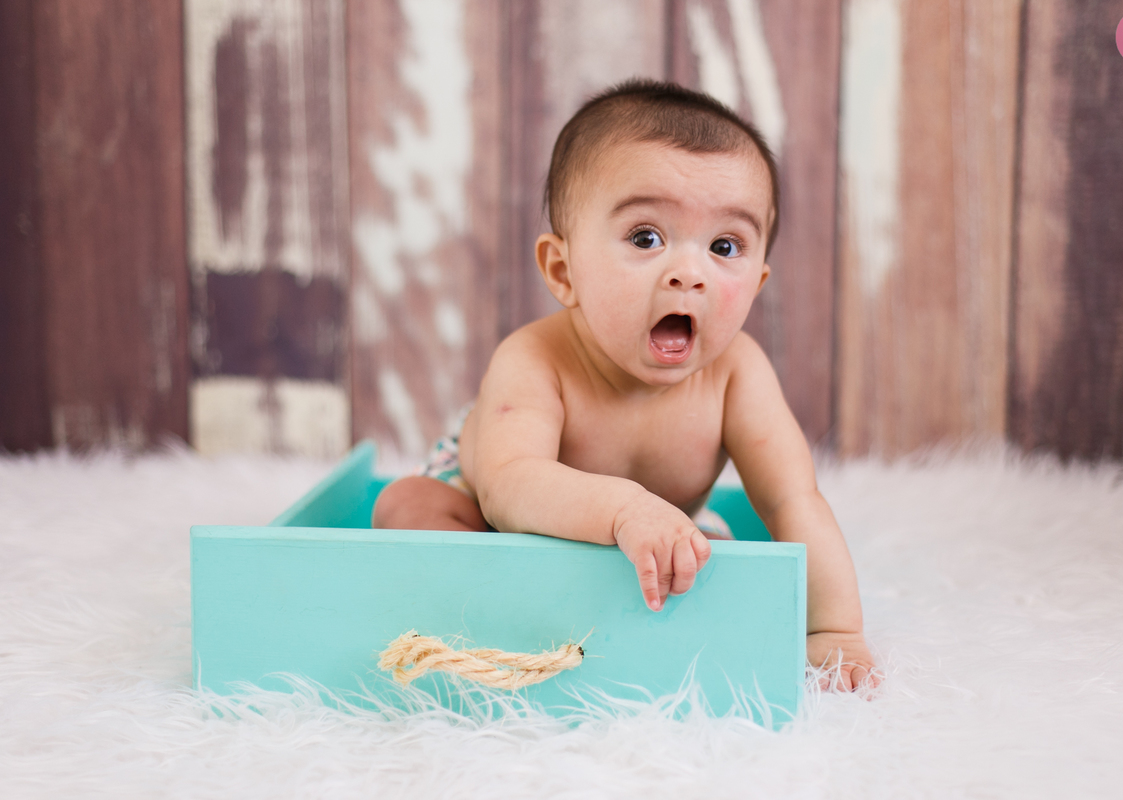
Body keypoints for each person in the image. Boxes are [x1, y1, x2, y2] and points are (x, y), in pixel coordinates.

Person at [373, 79, 877, 691]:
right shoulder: (536, 357)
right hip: (499, 514)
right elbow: (507, 485)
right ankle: (503, 608)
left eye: (725, 246)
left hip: (652, 522)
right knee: (405, 506)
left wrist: (835, 629)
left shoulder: (738, 373)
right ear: (564, 271)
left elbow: (793, 501)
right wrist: (623, 510)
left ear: (759, 281)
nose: (688, 274)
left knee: (708, 556)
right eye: (646, 238)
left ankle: (620, 579)